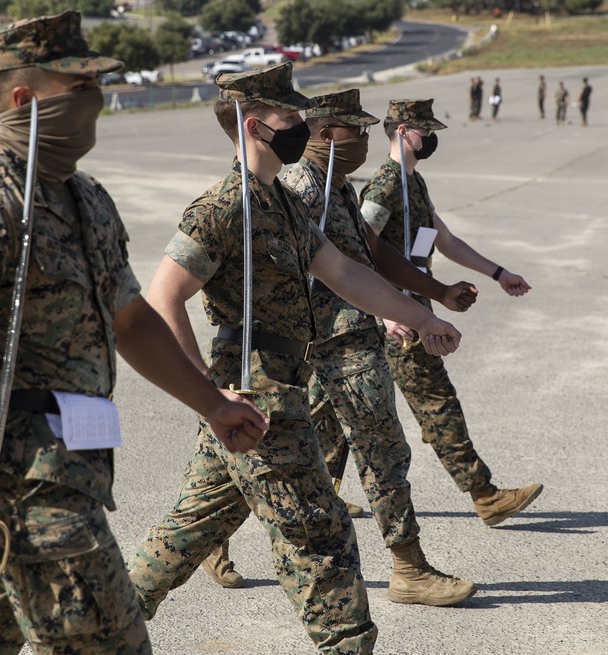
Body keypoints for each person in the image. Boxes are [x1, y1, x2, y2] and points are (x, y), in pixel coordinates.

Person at [0, 12, 267, 655]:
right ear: (23, 101)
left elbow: (130, 320)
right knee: (111, 640)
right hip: (22, 473)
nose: (95, 101)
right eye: (78, 86)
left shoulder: (85, 198)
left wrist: (213, 404)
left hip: (78, 459)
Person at [127, 63, 466, 654]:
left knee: (188, 531)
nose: (302, 124)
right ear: (255, 126)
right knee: (321, 538)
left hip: (276, 387)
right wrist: (208, 395)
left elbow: (345, 273)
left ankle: (97, 631)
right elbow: (162, 299)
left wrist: (424, 317)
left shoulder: (281, 203)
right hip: (253, 395)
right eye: (290, 117)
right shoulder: (223, 207)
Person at [201, 89, 481, 607]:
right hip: (322, 345)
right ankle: (409, 567)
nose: (367, 140)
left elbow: (368, 257)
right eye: (358, 130)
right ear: (329, 133)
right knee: (377, 449)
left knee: (303, 456)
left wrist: (430, 299)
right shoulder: (299, 188)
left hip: (344, 340)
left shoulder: (338, 185)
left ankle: (212, 536)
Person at [359, 98, 544, 529]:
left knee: (332, 406)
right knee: (435, 400)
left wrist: (498, 273)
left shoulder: (413, 183)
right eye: (426, 130)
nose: (433, 138)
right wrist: (385, 313)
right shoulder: (386, 185)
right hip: (395, 311)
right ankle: (485, 495)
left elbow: (444, 240)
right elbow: (359, 248)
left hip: (412, 300)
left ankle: (325, 487)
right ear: (404, 131)